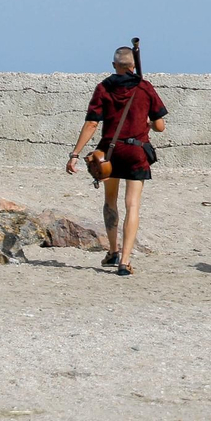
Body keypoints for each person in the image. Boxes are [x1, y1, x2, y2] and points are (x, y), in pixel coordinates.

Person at [66, 46, 167, 275]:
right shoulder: (145, 87)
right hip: (136, 152)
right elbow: (160, 126)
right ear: (133, 66)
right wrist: (148, 124)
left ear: (114, 66)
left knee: (110, 201)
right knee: (132, 205)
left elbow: (92, 123)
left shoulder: (103, 87)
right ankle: (125, 261)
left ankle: (112, 251)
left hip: (108, 153)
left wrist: (74, 154)